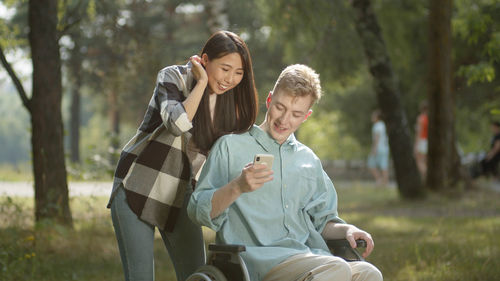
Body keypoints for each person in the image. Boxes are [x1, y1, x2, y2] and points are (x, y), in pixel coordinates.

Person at [188, 64, 382, 281]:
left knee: (368, 273)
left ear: (306, 116)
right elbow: (197, 210)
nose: (284, 120)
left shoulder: (308, 160)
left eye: (296, 114)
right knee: (336, 269)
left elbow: (324, 222)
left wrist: (347, 230)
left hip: (307, 257)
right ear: (269, 100)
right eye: (280, 107)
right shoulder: (230, 147)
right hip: (256, 263)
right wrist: (237, 186)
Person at [107, 30, 259, 281]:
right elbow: (176, 124)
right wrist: (200, 84)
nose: (230, 79)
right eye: (225, 68)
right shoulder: (173, 77)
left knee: (199, 274)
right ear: (205, 60)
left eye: (239, 73)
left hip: (180, 194)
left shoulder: (227, 104)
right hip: (138, 185)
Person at [367, 110, 389, 187]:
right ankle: (385, 182)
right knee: (384, 165)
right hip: (385, 148)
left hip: (378, 148)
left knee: (371, 164)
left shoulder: (376, 126)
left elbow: (377, 138)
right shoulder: (383, 125)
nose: (372, 117)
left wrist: (374, 149)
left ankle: (379, 180)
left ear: (377, 117)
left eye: (373, 116)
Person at [414, 101, 428, 179]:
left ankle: (426, 175)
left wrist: (416, 145)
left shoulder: (421, 118)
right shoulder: (431, 118)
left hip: (422, 141)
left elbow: (419, 132)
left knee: (419, 162)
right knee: (425, 161)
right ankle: (425, 179)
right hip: (428, 141)